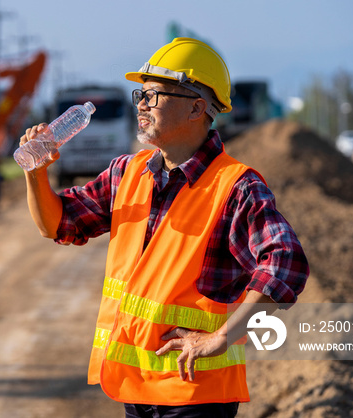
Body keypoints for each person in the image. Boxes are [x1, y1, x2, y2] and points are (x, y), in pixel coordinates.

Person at [19, 38, 309, 418]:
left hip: (195, 395)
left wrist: (222, 337)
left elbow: (286, 264)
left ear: (196, 107)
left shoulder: (235, 187)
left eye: (155, 94)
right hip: (137, 388)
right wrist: (36, 173)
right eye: (140, 93)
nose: (141, 103)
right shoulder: (127, 172)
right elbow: (57, 224)